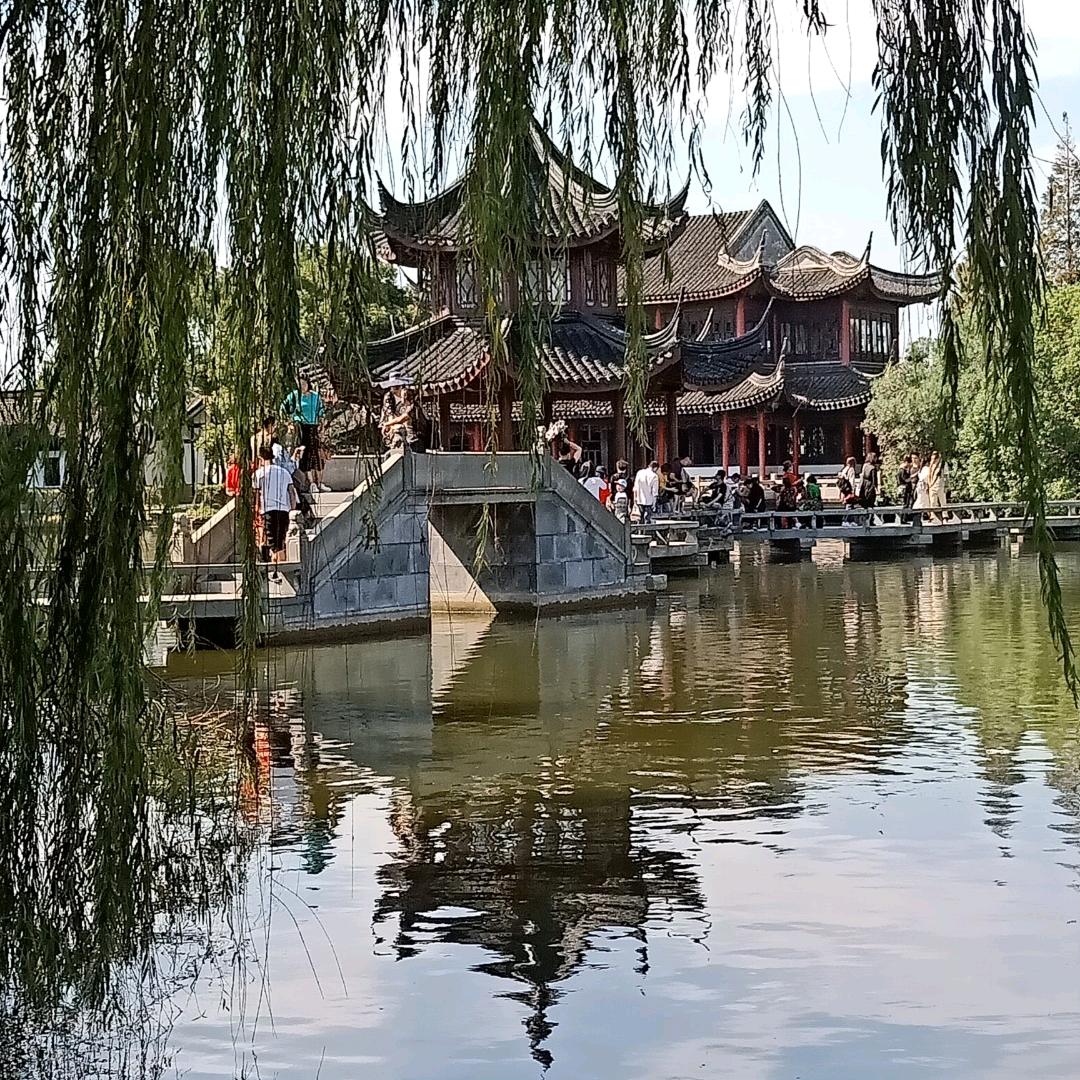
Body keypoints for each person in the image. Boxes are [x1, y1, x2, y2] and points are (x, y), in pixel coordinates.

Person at [253, 445, 297, 578]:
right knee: (281, 540)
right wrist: (293, 510)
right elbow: (292, 494)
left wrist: (256, 509)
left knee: (274, 544)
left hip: (268, 510)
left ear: (260, 458)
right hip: (284, 511)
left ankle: (278, 572)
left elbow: (256, 495)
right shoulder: (284, 472)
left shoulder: (259, 473)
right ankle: (278, 569)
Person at [283, 376, 329, 491]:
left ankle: (319, 482)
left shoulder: (315, 396)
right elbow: (285, 407)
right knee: (306, 454)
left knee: (317, 454)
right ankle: (311, 482)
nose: (302, 386)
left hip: (314, 427)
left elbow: (321, 410)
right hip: (302, 427)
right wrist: (292, 420)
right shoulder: (295, 395)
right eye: (300, 384)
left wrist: (322, 422)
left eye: (304, 383)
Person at [928, 450, 947, 521]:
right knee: (932, 502)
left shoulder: (943, 464)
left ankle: (945, 516)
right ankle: (933, 516)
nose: (934, 460)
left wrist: (946, 485)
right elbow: (929, 475)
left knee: (943, 502)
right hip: (931, 485)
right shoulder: (930, 465)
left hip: (940, 485)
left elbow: (946, 475)